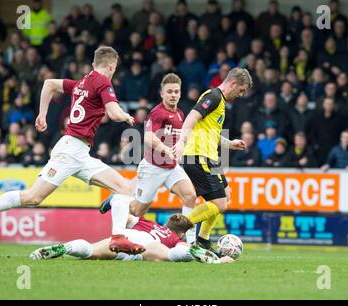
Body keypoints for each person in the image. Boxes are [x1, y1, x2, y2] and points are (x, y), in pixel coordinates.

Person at [0, 46, 145, 255]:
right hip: (70, 150)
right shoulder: (103, 81)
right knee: (33, 198)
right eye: (114, 68)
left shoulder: (83, 82)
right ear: (112, 65)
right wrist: (126, 116)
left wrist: (42, 114)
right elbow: (114, 113)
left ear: (93, 64)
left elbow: (49, 84)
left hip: (80, 152)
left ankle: (118, 237)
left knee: (124, 189)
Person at [100, 73, 198, 243]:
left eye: (176, 91)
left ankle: (190, 242)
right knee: (138, 210)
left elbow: (182, 136)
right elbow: (148, 137)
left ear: (180, 93)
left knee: (190, 196)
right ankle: (117, 200)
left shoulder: (181, 114)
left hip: (171, 167)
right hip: (153, 167)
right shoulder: (157, 113)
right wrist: (165, 149)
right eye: (169, 92)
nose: (173, 95)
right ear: (162, 94)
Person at [173, 67, 252, 251]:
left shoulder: (221, 102)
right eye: (241, 90)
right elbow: (192, 116)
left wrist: (229, 144)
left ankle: (203, 239)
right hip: (198, 155)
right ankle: (176, 228)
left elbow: (211, 133)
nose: (240, 95)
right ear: (233, 83)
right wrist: (182, 141)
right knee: (219, 203)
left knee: (226, 195)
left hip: (210, 157)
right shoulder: (214, 96)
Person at [30, 211, 233, 264]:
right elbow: (173, 245)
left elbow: (124, 216)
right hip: (149, 247)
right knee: (174, 254)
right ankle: (210, 259)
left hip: (127, 237)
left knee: (91, 251)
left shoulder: (146, 221)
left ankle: (65, 248)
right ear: (180, 232)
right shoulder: (175, 238)